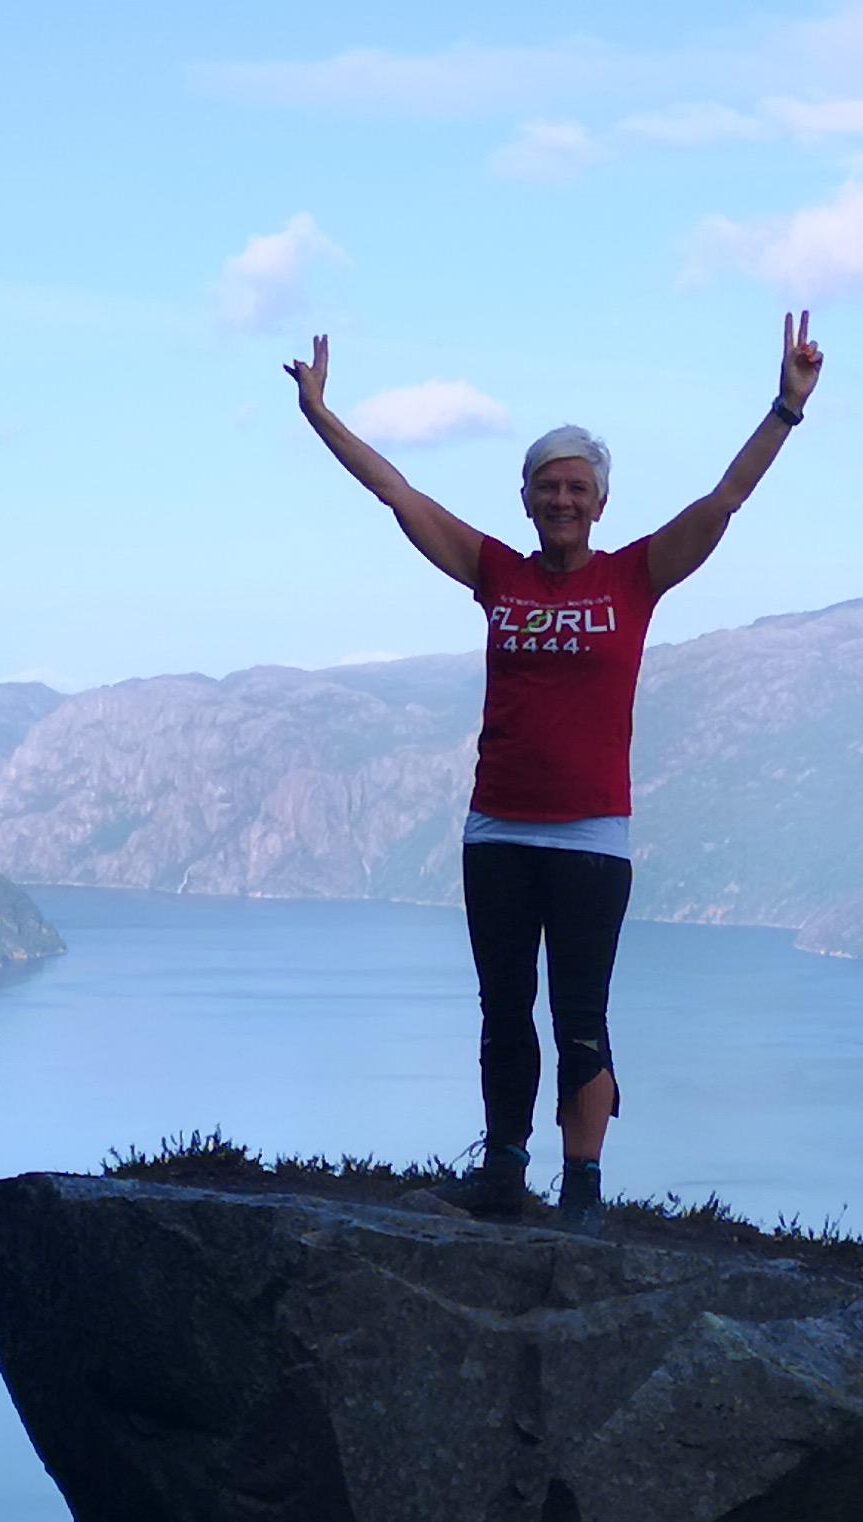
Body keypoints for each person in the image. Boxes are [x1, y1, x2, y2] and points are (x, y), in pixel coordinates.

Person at [289, 313, 824, 1223]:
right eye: (548, 486)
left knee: (580, 1015)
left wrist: (785, 406)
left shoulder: (635, 579)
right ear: (527, 501)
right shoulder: (497, 573)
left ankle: (581, 1189)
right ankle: (503, 1171)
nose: (564, 499)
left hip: (589, 835)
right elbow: (398, 493)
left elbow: (725, 499)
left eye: (578, 486)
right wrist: (321, 416)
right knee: (504, 1011)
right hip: (497, 828)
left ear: (601, 501)